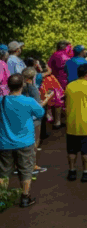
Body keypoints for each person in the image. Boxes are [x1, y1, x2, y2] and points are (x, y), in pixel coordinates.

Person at [0, 74, 51, 207]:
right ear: (22, 85)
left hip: (4, 142)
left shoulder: (1, 100)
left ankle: (2, 197)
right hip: (25, 142)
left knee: (4, 171)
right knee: (26, 170)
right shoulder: (28, 101)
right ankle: (25, 197)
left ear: (8, 86)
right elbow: (40, 113)